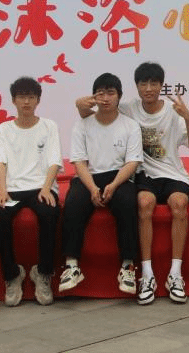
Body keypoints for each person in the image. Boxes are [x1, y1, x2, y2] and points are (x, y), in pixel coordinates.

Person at [76, 62, 189, 305]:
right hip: (144, 174)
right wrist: (80, 105)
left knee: (179, 203)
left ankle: (175, 274)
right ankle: (147, 274)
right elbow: (96, 117)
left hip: (173, 173)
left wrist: (188, 118)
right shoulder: (128, 108)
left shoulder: (174, 111)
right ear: (137, 86)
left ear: (161, 85)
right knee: (143, 202)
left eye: (154, 83)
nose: (149, 88)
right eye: (144, 83)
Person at [59, 73, 143, 297]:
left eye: (111, 93)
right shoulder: (82, 125)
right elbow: (79, 162)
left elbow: (132, 162)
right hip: (89, 176)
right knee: (73, 202)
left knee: (127, 202)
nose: (105, 98)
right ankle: (71, 265)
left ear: (119, 96)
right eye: (101, 93)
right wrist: (92, 188)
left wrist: (114, 185)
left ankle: (127, 266)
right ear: (93, 97)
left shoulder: (130, 125)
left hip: (119, 176)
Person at [0, 76, 62, 307]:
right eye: (22, 97)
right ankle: (12, 275)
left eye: (31, 97)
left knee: (49, 213)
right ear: (14, 100)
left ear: (38, 100)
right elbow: (1, 162)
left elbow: (54, 161)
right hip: (14, 190)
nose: (26, 102)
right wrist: (3, 191)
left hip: (41, 187)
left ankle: (43, 273)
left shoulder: (49, 126)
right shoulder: (4, 129)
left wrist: (47, 188)